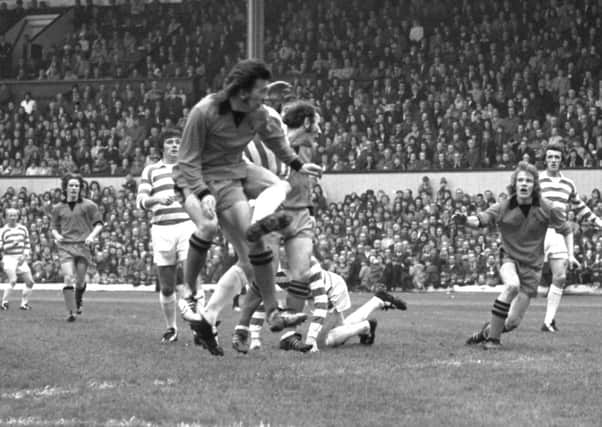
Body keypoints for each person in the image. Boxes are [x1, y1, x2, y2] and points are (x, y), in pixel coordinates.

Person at [173, 59, 322, 355]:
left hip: (234, 171)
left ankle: (270, 311)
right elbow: (188, 161)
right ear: (241, 92)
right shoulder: (204, 112)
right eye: (261, 91)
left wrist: (299, 165)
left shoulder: (260, 114)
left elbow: (279, 143)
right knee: (220, 232)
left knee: (279, 189)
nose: (265, 97)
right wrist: (202, 192)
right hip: (203, 176)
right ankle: (190, 293)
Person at [232, 98, 328, 354]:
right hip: (273, 214)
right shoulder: (269, 142)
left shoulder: (306, 146)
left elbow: (304, 182)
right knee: (267, 273)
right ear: (307, 122)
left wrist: (311, 210)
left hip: (300, 216)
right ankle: (241, 328)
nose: (319, 130)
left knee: (302, 273)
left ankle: (289, 334)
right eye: (317, 123)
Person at [460, 162, 577, 349]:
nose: (524, 184)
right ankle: (493, 342)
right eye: (520, 180)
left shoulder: (547, 207)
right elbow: (481, 220)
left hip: (532, 267)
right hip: (509, 257)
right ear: (514, 184)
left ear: (534, 185)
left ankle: (485, 333)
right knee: (512, 285)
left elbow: (567, 229)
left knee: (512, 323)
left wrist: (570, 255)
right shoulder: (504, 206)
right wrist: (465, 220)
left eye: (528, 181)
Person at [245, 261, 408, 351]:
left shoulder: (306, 271)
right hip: (318, 291)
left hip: (331, 289)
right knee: (339, 330)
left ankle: (366, 326)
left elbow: (321, 306)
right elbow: (265, 305)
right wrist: (254, 338)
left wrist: (311, 339)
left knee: (326, 341)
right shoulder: (275, 273)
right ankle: (377, 302)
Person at [136, 131, 196, 343]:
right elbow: (140, 200)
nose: (174, 145)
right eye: (170, 142)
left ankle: (201, 326)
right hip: (161, 229)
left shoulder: (189, 167)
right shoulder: (151, 170)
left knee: (192, 278)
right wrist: (156, 198)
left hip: (187, 225)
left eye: (178, 142)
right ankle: (171, 328)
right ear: (162, 147)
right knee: (167, 285)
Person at [538, 142, 602, 332]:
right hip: (538, 233)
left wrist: (598, 221)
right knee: (527, 278)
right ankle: (505, 317)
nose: (553, 160)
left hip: (559, 233)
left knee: (560, 276)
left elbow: (580, 207)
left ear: (562, 160)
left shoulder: (568, 184)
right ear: (545, 160)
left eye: (557, 157)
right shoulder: (537, 181)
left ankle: (548, 321)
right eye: (550, 157)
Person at [51, 174, 103, 322]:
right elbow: (53, 227)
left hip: (83, 246)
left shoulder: (89, 205)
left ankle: (78, 298)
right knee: (68, 277)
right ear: (65, 188)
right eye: (71, 185)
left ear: (80, 188)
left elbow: (99, 224)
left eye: (76, 186)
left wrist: (92, 236)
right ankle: (71, 311)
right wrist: (56, 235)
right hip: (65, 246)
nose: (74, 188)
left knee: (80, 281)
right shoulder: (57, 208)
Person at [0, 208, 35, 310]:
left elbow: (27, 244)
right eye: (10, 215)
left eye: (15, 215)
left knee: (30, 282)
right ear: (6, 217)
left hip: (20, 257)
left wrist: (24, 256)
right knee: (13, 280)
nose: (13, 218)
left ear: (18, 216)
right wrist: (12, 245)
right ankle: (4, 302)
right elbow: (1, 247)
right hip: (8, 258)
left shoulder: (23, 229)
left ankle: (24, 304)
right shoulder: (2, 231)